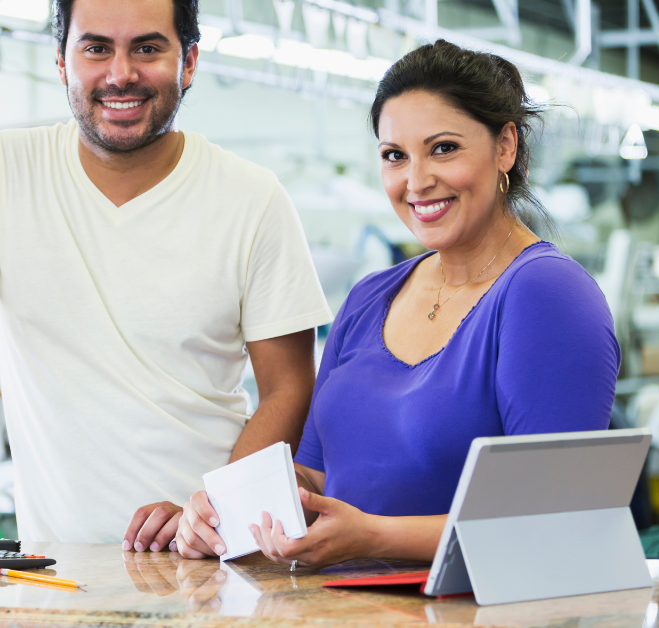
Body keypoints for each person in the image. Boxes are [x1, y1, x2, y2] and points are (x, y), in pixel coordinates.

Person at [0, 0, 332, 558]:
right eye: (96, 47)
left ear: (189, 62)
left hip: (211, 560)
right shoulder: (4, 171)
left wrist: (215, 509)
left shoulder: (252, 197)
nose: (120, 73)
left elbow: (289, 387)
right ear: (61, 61)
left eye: (147, 48)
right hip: (57, 571)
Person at [175, 39, 620, 568]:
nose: (416, 181)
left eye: (444, 148)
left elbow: (555, 522)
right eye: (395, 156)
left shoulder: (546, 295)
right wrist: (227, 507)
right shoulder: (369, 297)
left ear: (506, 147)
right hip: (341, 611)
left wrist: (375, 537)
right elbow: (316, 474)